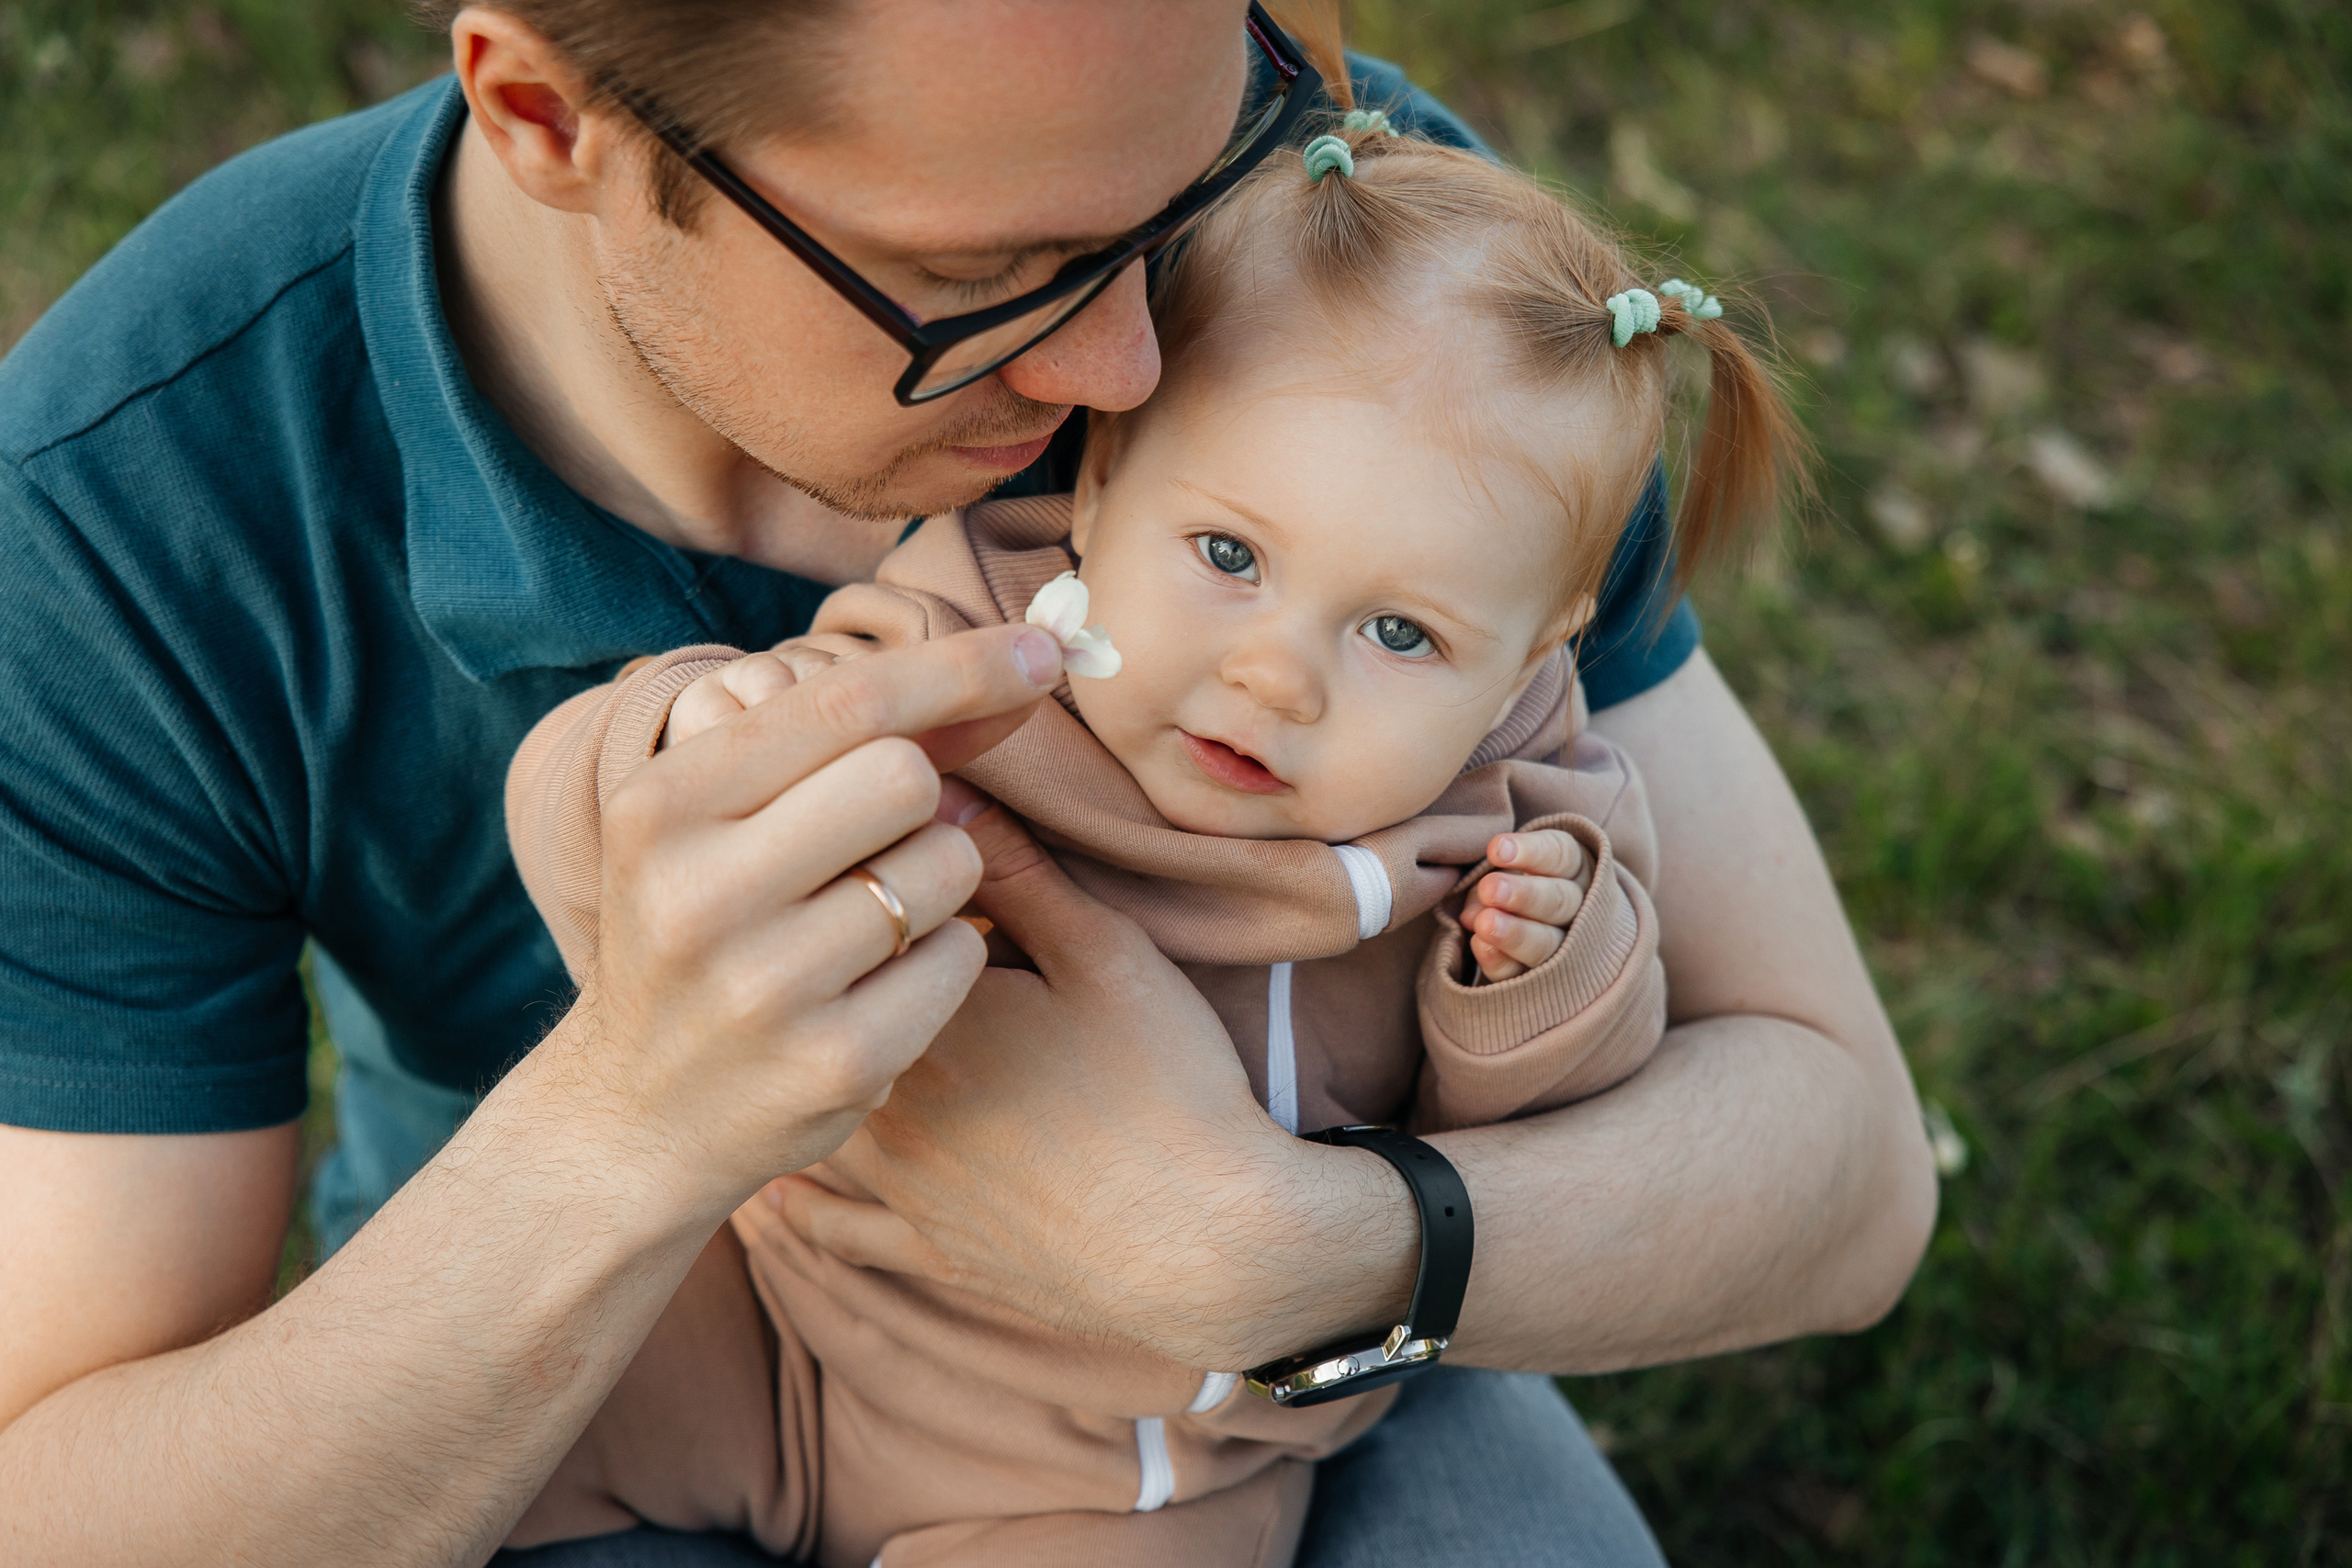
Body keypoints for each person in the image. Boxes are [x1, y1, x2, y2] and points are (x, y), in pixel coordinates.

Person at [0, 5, 1936, 1566]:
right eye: (986, 273)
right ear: (546, 116)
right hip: (589, 1321)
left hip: (1224, 1400)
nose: (1124, 363)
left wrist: (1273, 1249)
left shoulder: (1352, 263)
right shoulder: (132, 512)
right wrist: (634, 1115)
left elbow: (1840, 1179)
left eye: (1174, 184)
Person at [499, 104, 1798, 1566]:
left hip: (1124, 1467)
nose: (1276, 675)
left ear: (1531, 654)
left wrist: (1542, 976)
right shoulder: (952, 652)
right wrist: (696, 734)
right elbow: (597, 835)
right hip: (774, 1313)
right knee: (465, 1414)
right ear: (1101, 484)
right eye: (1230, 556)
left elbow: (1550, 1138)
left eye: (1400, 632)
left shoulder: (1505, 829)